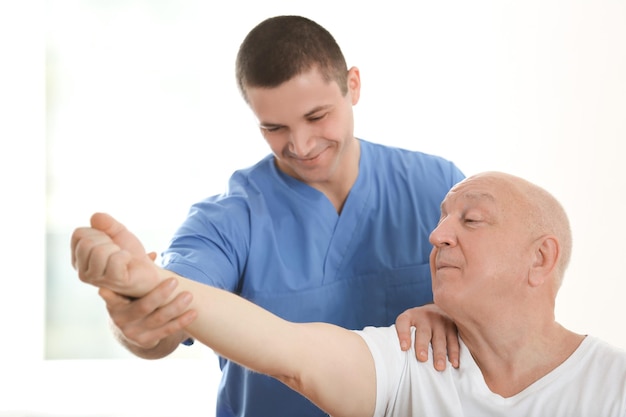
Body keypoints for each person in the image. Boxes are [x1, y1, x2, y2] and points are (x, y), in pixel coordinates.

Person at [81, 14, 466, 416]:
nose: (301, 145)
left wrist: (456, 313)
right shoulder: (228, 220)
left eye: (317, 117)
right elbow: (169, 312)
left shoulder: (439, 187)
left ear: (352, 85)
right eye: (274, 128)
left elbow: (510, 306)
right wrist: (134, 309)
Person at [72, 171, 626, 417]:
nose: (436, 235)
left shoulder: (611, 387)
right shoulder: (415, 362)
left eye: (472, 219)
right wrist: (151, 283)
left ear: (540, 258)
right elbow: (286, 350)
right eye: (440, 219)